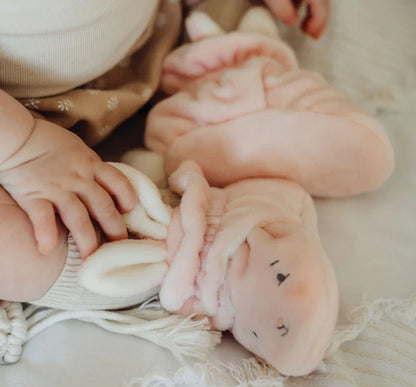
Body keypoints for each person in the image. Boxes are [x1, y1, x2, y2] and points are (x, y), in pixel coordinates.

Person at [0, 0, 330, 304]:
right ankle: (183, 262)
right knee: (16, 248)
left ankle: (249, 115)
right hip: (16, 124)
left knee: (238, 28)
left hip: (154, 36)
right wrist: (24, 148)